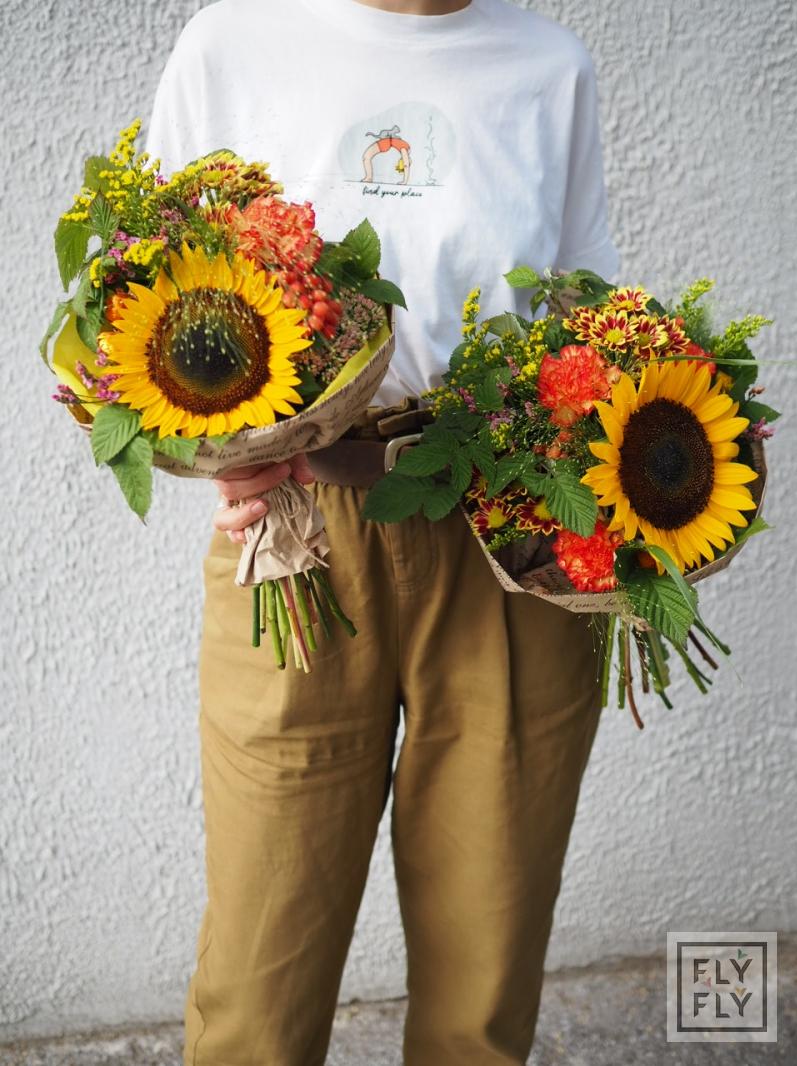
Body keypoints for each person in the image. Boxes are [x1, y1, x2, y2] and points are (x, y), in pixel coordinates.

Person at [144, 0, 620, 1063]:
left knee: (483, 978)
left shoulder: (549, 68)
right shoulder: (233, 43)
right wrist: (213, 446)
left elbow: (583, 306)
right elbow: (148, 297)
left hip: (506, 533)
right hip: (299, 536)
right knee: (258, 988)